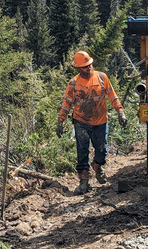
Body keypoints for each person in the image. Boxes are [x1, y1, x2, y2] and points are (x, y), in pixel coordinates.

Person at [57, 51, 128, 195]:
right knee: (82, 151)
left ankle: (98, 165)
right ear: (78, 68)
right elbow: (67, 104)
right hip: (81, 121)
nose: (88, 68)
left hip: (100, 121)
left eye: (89, 65)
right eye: (84, 67)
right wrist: (60, 121)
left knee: (101, 150)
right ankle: (83, 182)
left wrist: (120, 111)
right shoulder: (73, 84)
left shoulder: (101, 77)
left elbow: (112, 95)